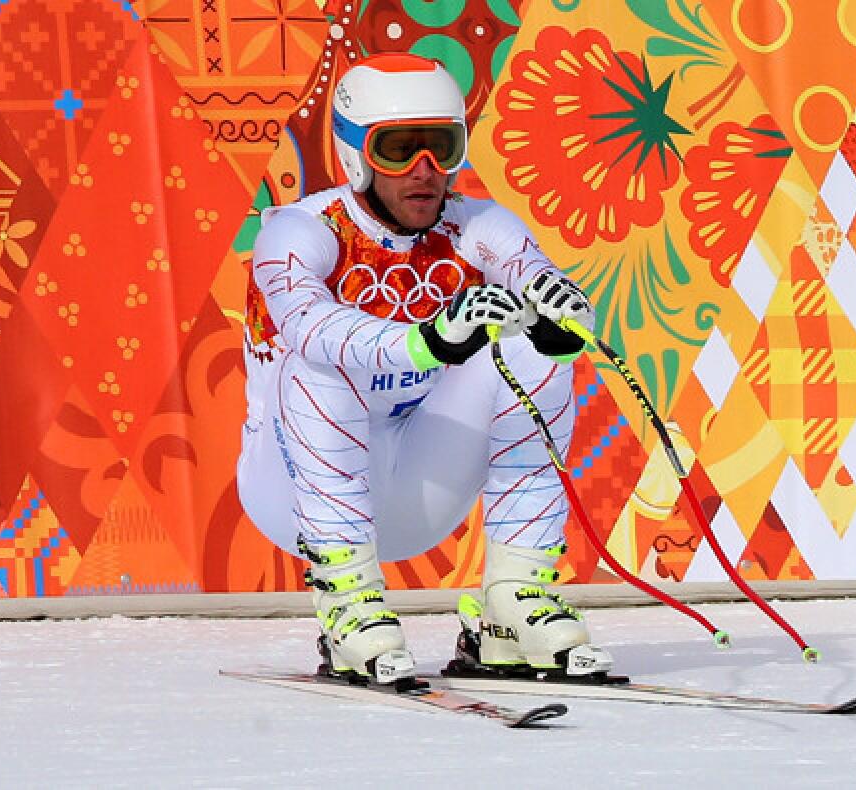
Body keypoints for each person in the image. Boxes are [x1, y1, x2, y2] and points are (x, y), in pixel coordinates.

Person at [237, 53, 612, 684]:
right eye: (400, 149)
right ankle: (348, 608)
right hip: (291, 493)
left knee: (528, 347)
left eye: (441, 146)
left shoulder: (477, 225)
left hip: (419, 488)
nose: (425, 171)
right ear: (355, 155)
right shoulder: (299, 231)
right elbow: (308, 323)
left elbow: (537, 275)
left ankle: (512, 609)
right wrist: (429, 341)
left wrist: (564, 314)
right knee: (318, 363)